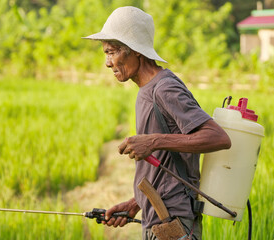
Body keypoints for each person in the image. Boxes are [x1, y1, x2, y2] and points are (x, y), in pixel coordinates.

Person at [84, 6, 231, 240]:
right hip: (159, 217)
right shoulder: (147, 90)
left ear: (134, 50)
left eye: (111, 52)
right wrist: (137, 202)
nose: (107, 63)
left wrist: (152, 141)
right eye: (105, 53)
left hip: (173, 222)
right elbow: (168, 165)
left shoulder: (165, 88)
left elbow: (218, 137)